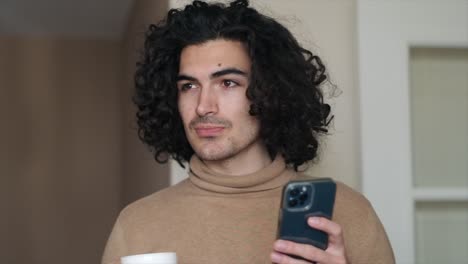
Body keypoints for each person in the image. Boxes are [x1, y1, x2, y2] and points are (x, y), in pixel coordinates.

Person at [102, 0, 395, 263]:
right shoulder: (137, 224)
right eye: (188, 86)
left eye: (228, 83)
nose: (203, 106)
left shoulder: (349, 213)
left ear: (270, 91)